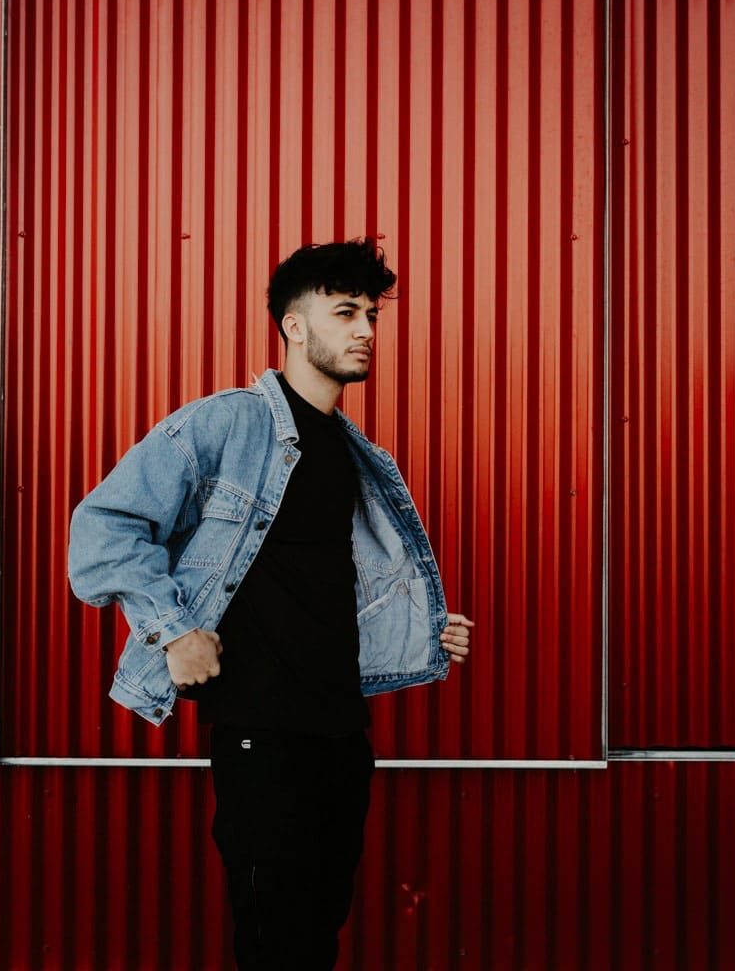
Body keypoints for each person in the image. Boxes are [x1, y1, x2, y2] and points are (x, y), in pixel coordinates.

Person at [67, 237, 475, 970]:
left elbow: (325, 583)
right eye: (345, 312)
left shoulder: (354, 454)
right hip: (263, 734)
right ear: (293, 325)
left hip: (341, 733)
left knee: (316, 933)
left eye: (372, 315)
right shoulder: (229, 424)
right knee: (276, 939)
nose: (365, 330)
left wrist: (422, 627)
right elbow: (102, 528)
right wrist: (174, 631)